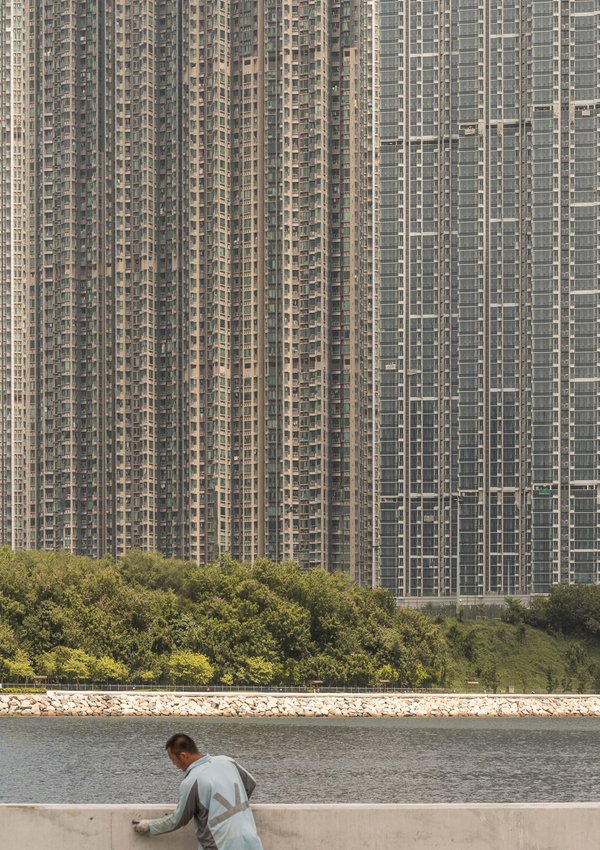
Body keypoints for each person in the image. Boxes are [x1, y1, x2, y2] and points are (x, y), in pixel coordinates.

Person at [132, 733, 264, 850]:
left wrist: (149, 825)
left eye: (173, 760)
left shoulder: (192, 781)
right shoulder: (227, 761)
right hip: (251, 841)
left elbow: (178, 820)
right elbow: (251, 784)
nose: (174, 765)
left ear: (183, 756)